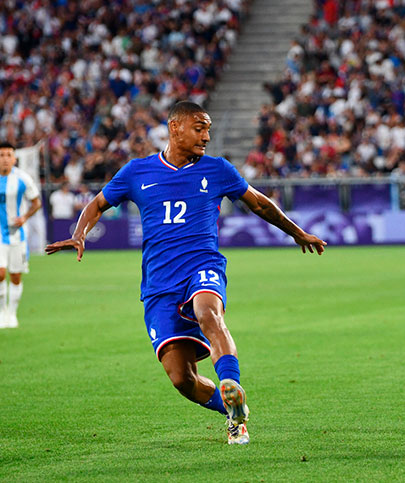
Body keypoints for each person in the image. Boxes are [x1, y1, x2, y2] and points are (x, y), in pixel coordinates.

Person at [45, 102, 327, 444]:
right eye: (199, 128)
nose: (206, 136)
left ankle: (230, 381)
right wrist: (80, 233)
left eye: (208, 129)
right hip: (159, 283)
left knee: (208, 312)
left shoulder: (218, 169)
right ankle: (233, 411)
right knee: (181, 378)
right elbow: (97, 204)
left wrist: (298, 233)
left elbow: (260, 203)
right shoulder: (137, 172)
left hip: (202, 265)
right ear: (174, 127)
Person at [0, 142, 43, 329]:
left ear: (14, 158)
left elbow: (36, 202)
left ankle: (12, 313)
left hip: (17, 235)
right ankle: (2, 313)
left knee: (15, 276)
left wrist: (24, 217)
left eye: (8, 155)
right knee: (0, 273)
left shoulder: (22, 178)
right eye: (1, 155)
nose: (5, 159)